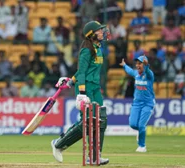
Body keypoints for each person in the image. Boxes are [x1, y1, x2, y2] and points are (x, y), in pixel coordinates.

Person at [50, 21, 109, 165]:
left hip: (95, 88)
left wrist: (71, 81)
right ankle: (59, 144)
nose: (102, 32)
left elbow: (83, 71)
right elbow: (82, 71)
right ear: (91, 34)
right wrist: (81, 92)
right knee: (88, 122)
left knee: (101, 120)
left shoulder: (97, 48)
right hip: (86, 88)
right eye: (99, 30)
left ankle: (95, 156)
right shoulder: (86, 50)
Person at [119, 56, 155, 152]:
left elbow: (147, 71)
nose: (137, 65)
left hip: (148, 104)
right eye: (137, 63)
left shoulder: (149, 74)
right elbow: (130, 71)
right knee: (133, 124)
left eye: (140, 63)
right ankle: (140, 132)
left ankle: (142, 146)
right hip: (137, 103)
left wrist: (146, 66)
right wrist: (125, 65)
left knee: (141, 125)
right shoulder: (136, 74)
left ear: (144, 65)